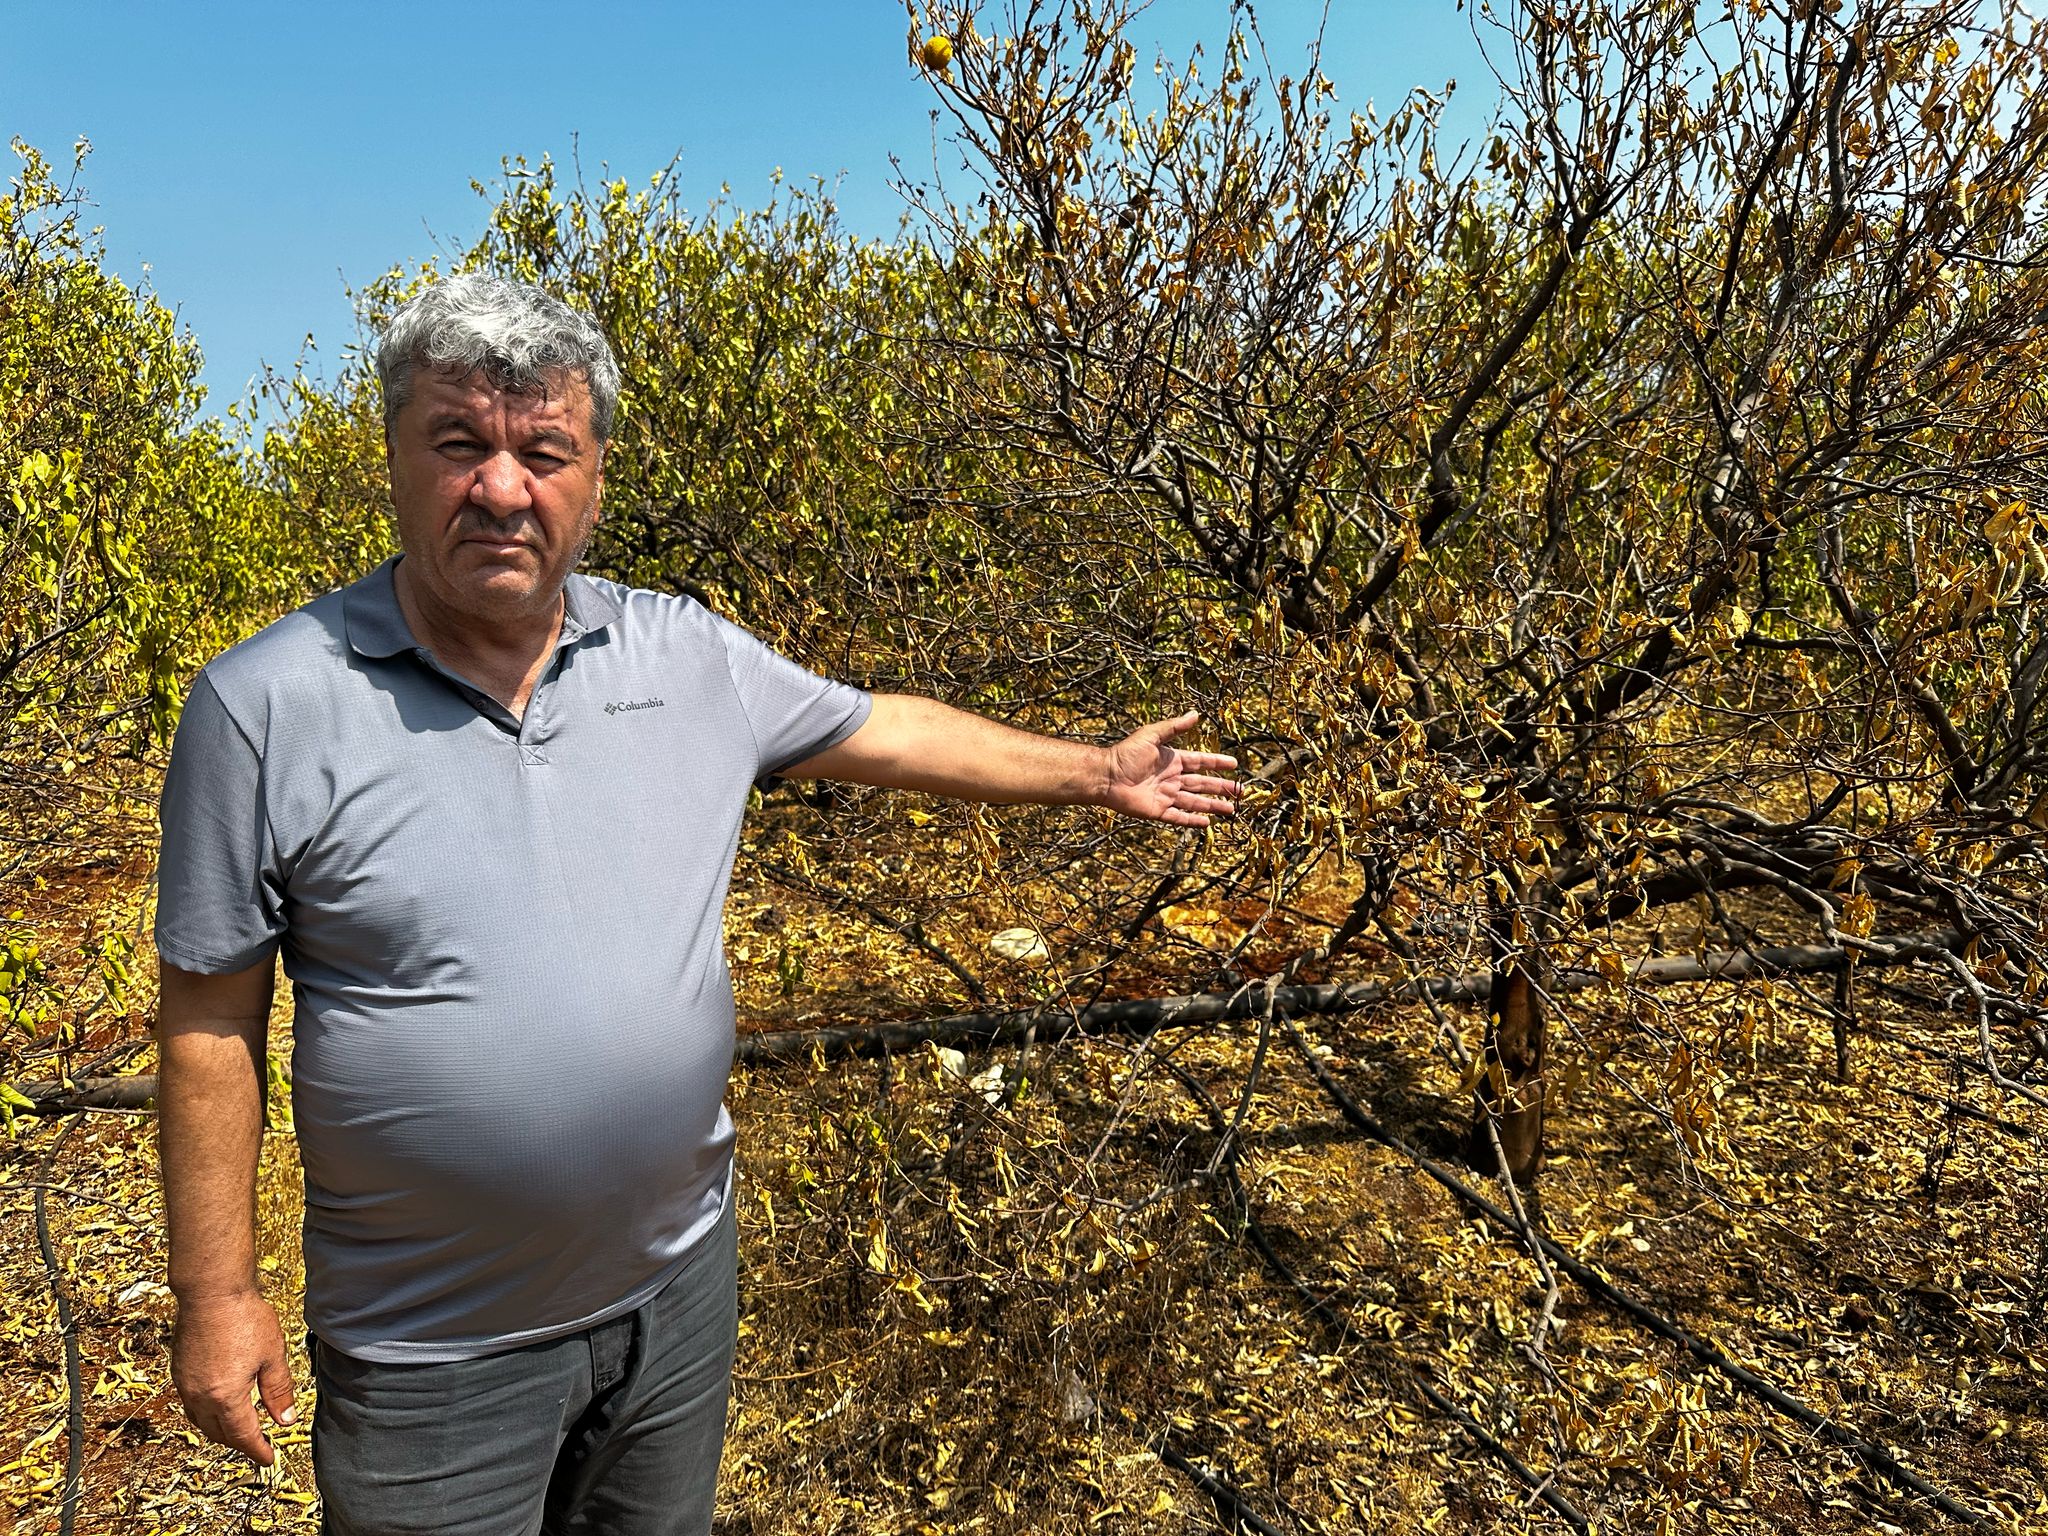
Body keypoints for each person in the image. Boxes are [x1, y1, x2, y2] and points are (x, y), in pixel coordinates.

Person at [153, 273, 1238, 1536]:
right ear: (393, 458)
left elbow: (876, 727)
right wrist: (216, 1296)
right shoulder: (263, 705)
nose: (501, 489)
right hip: (427, 1354)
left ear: (594, 478)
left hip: (675, 1302)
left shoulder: (687, 658)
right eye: (458, 445)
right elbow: (208, 1024)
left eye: (543, 452)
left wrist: (1095, 772)